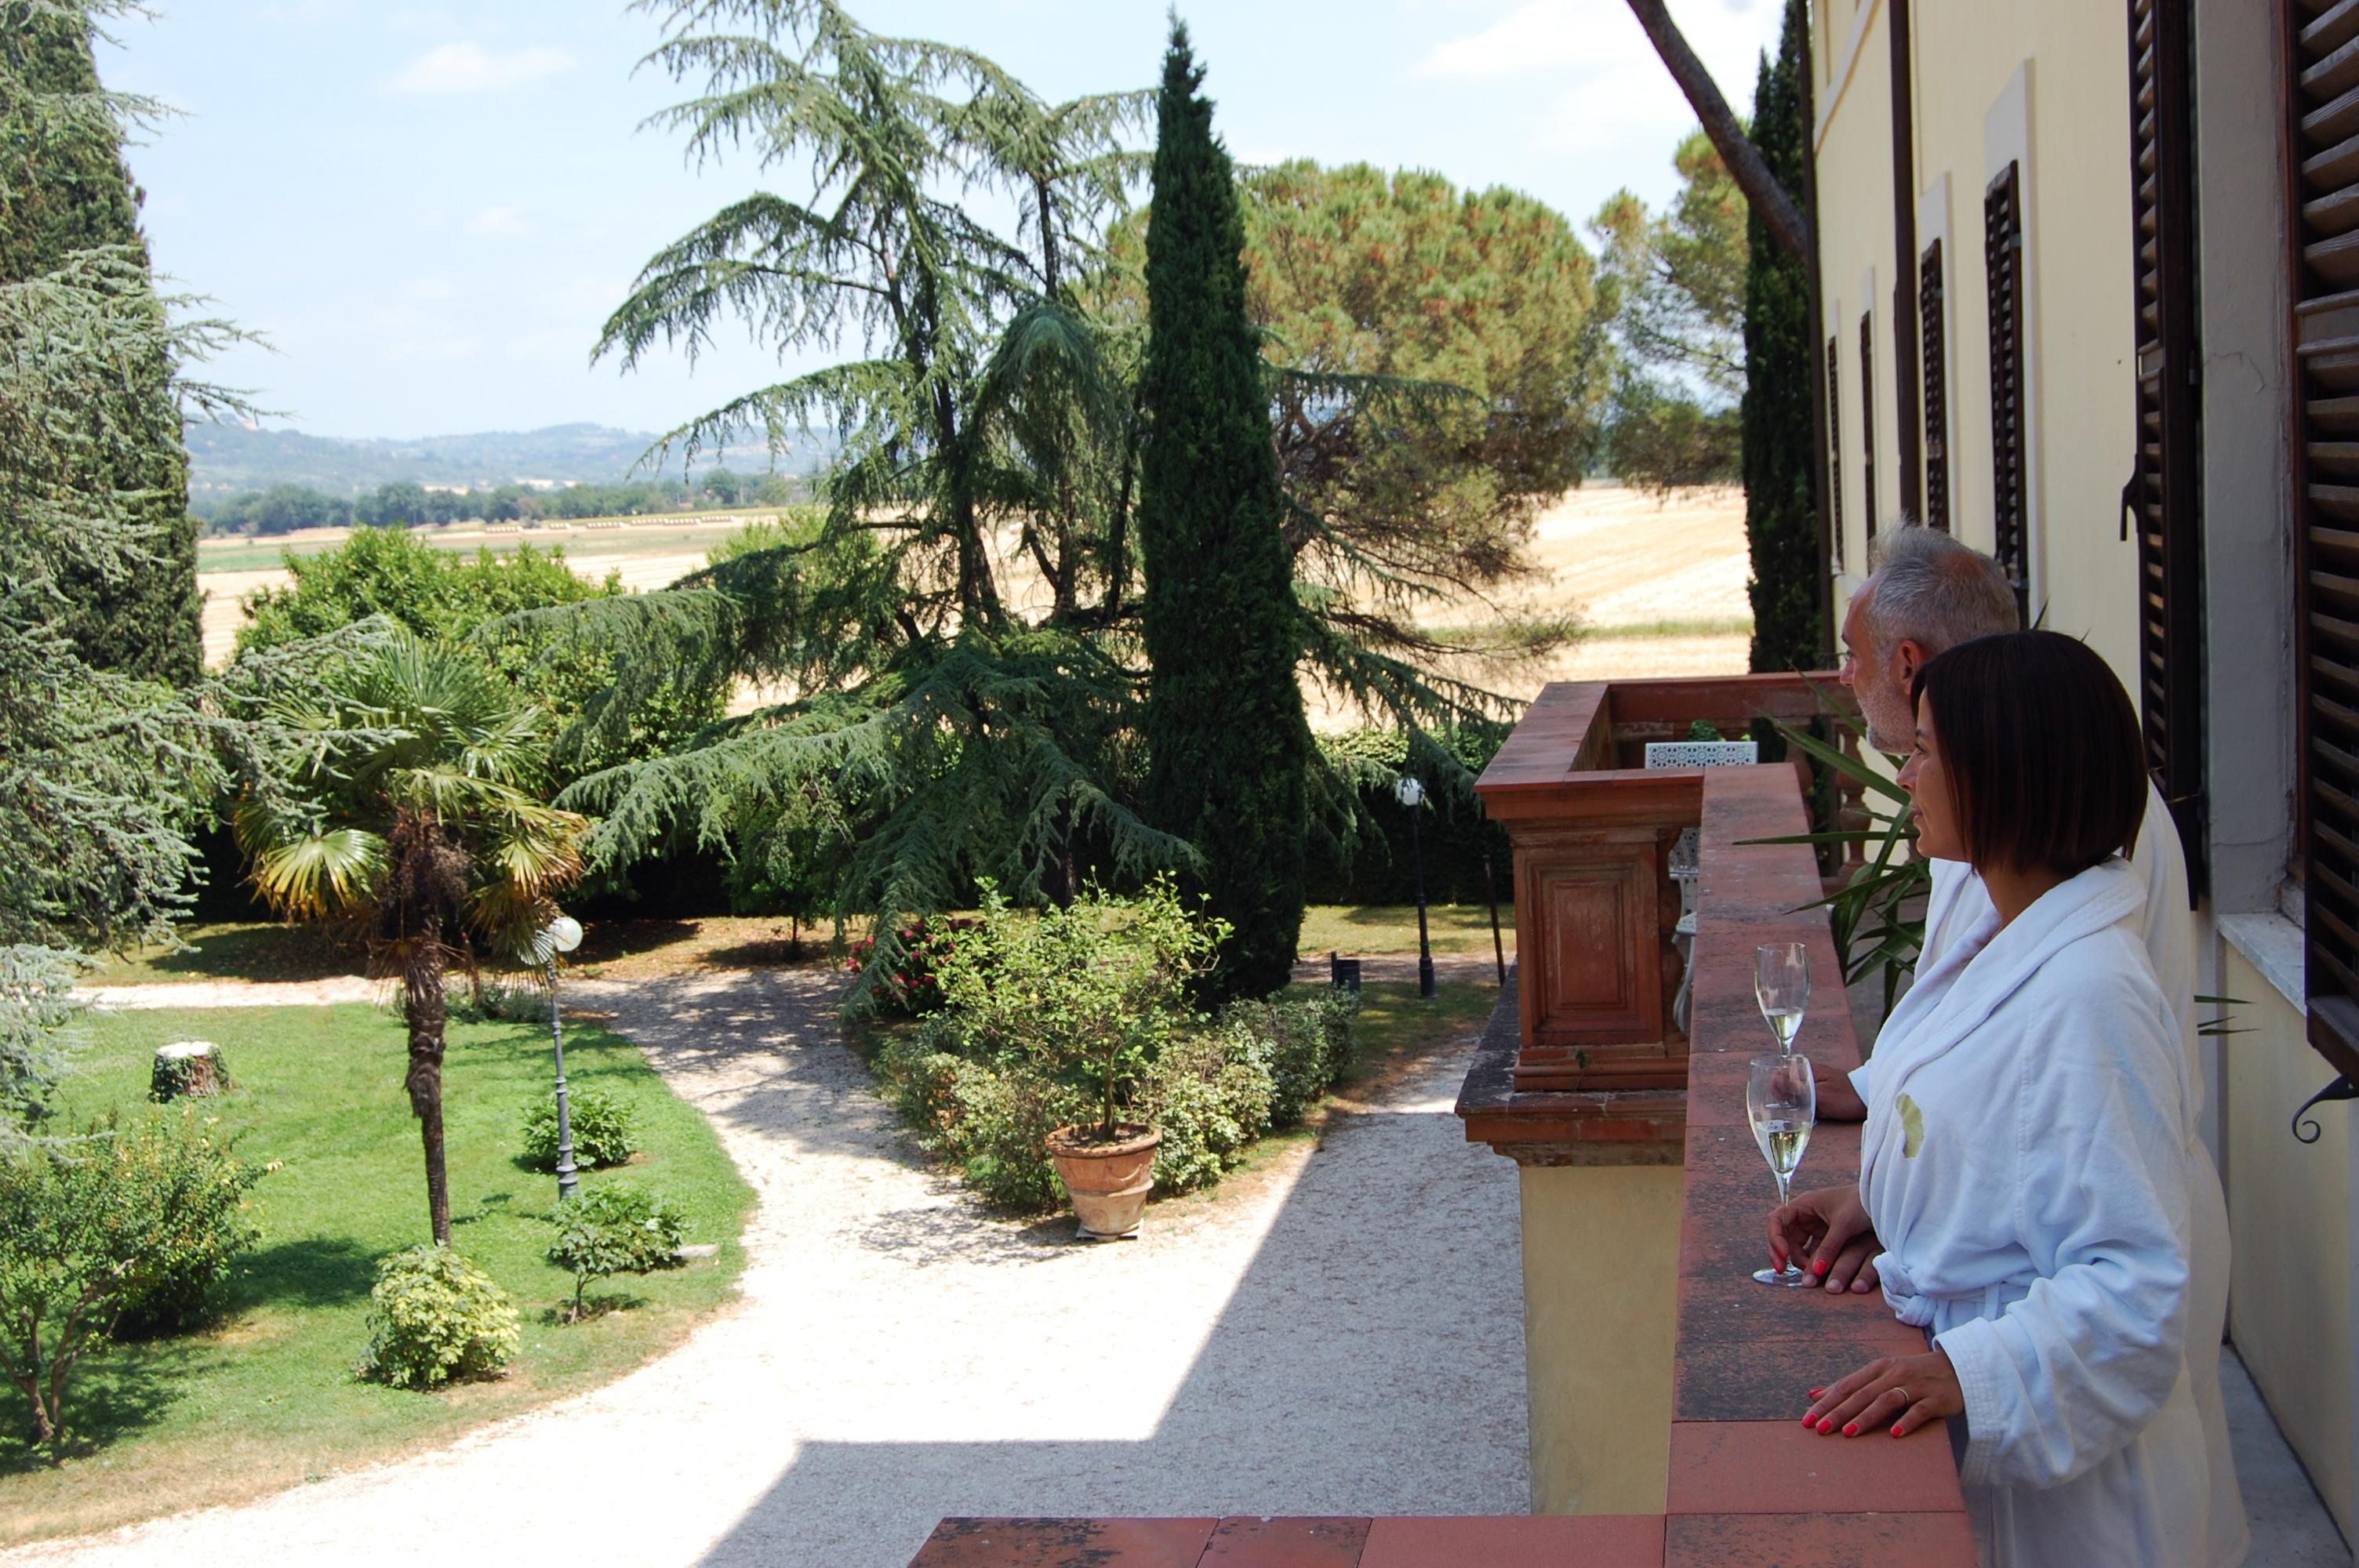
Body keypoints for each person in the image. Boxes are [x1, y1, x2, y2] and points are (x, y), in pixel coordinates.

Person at [1820, 524, 2245, 1567]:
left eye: (1926, 756)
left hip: (2082, 1496)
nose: (1908, 778)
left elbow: (2133, 1285)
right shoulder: (2022, 899)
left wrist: (1974, 1375)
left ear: (2002, 773)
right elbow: (1986, 1093)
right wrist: (1898, 1199)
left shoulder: (2089, 989)